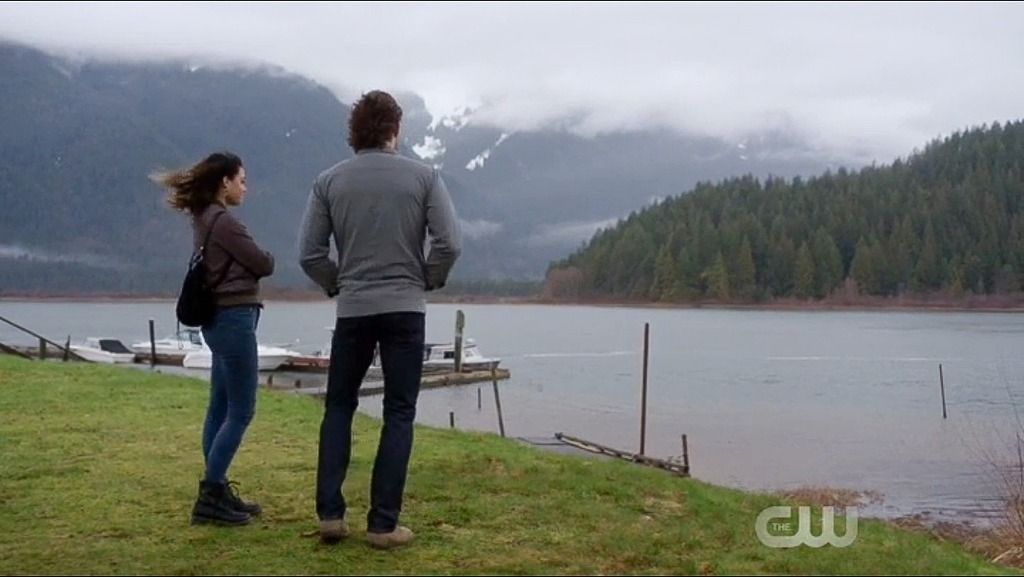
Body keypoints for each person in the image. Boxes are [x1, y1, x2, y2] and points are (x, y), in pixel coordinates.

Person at [298, 90, 461, 549]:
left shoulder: (328, 182)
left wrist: (337, 283)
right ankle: (383, 524)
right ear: (396, 129)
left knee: (338, 406)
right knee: (399, 411)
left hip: (353, 308)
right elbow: (449, 243)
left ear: (354, 131)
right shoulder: (424, 177)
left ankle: (331, 514)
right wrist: (427, 279)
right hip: (405, 308)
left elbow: (309, 253)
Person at [155, 151, 275, 526]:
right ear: (225, 182)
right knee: (241, 411)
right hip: (234, 320)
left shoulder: (203, 217)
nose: (245, 187)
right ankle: (210, 496)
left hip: (218, 321)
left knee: (219, 407)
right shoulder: (223, 222)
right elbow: (263, 263)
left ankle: (218, 489)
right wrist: (263, 257)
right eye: (241, 180)